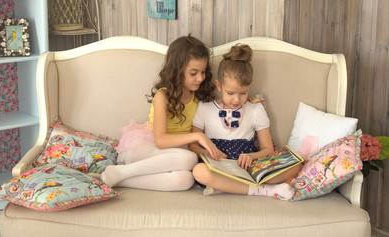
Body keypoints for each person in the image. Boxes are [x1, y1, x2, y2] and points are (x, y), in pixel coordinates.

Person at [100, 35, 225, 191]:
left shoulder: (198, 97)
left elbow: (224, 105)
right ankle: (124, 170)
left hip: (174, 155)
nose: (200, 78)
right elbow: (160, 141)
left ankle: (119, 177)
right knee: (189, 158)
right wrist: (198, 136)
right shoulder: (163, 96)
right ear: (177, 71)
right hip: (148, 146)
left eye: (203, 72)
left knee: (185, 180)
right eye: (193, 73)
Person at [189, 43, 300, 199]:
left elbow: (268, 149)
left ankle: (224, 187)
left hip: (247, 168)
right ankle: (263, 190)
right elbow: (192, 145)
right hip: (218, 167)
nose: (236, 99)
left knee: (295, 167)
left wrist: (251, 157)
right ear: (219, 86)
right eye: (230, 93)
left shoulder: (256, 110)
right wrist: (210, 154)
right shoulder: (204, 108)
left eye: (243, 93)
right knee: (199, 172)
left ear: (250, 85)